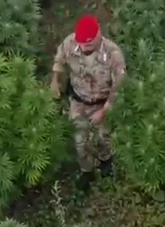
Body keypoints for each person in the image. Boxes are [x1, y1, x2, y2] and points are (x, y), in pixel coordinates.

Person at [50, 15, 127, 185]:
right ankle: (86, 171)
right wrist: (56, 79)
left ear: (98, 34)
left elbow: (119, 87)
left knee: (103, 138)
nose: (84, 46)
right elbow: (59, 58)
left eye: (89, 43)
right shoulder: (70, 43)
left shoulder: (113, 54)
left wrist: (105, 110)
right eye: (81, 43)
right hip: (79, 102)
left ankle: (106, 161)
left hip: (102, 103)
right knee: (79, 141)